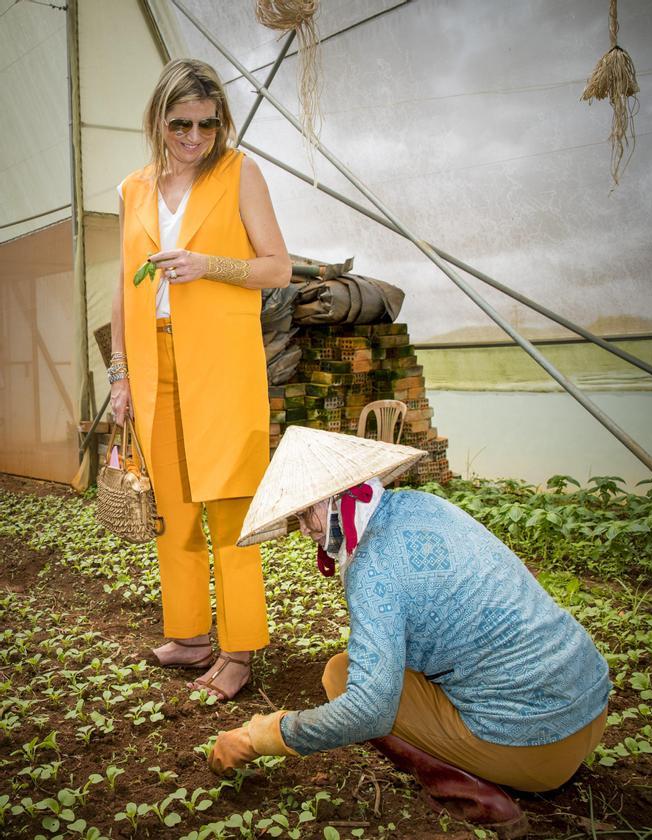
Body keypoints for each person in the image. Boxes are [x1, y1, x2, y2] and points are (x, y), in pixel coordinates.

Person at [207, 426, 610, 829]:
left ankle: (473, 797)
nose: (306, 530)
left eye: (306, 513)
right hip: (591, 710)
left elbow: (368, 711)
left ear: (338, 498)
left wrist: (258, 737)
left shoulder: (373, 564)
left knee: (342, 677)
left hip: (537, 749)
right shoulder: (420, 503)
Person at [109, 58, 291, 700]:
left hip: (221, 362)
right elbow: (122, 289)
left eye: (206, 125)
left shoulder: (241, 173)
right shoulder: (133, 189)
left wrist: (207, 264)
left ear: (221, 123)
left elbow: (277, 269)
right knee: (174, 506)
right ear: (158, 119)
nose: (192, 137)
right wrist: (120, 373)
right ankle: (189, 636)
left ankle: (239, 649)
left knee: (230, 502)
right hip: (152, 360)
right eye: (179, 123)